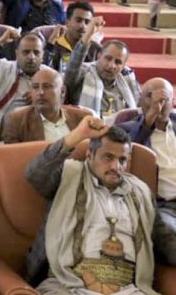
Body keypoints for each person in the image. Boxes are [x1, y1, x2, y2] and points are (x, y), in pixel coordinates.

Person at [25, 117, 176, 292]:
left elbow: (164, 239)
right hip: (68, 285)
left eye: (122, 160)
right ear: (89, 155)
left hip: (127, 290)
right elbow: (35, 174)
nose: (116, 166)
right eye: (108, 157)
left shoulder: (141, 192)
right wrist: (78, 135)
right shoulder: (68, 176)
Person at [117, 78, 176, 234]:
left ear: (173, 102)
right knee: (169, 231)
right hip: (164, 207)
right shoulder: (125, 130)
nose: (157, 103)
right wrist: (149, 121)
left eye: (164, 98)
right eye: (150, 96)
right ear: (140, 101)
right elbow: (126, 154)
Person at [0, 30, 45, 139]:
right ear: (17, 54)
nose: (31, 57)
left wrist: (41, 96)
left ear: (43, 55)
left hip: (39, 133)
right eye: (26, 52)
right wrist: (0, 42)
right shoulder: (3, 68)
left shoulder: (50, 77)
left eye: (36, 52)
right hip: (3, 134)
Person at [64, 17, 140, 117]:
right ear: (99, 55)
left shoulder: (128, 79)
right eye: (108, 58)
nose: (111, 65)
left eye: (118, 62)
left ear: (123, 66)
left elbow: (138, 109)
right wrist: (88, 34)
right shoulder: (83, 73)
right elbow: (73, 65)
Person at [0, 68, 90, 143]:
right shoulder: (16, 122)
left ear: (62, 91)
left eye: (47, 86)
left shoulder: (82, 118)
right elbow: (13, 158)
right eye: (35, 87)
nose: (40, 92)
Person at [42, 1, 100, 74]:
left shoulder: (95, 49)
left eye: (87, 22)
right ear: (67, 22)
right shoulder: (54, 45)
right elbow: (44, 70)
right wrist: (50, 46)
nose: (83, 26)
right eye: (78, 20)